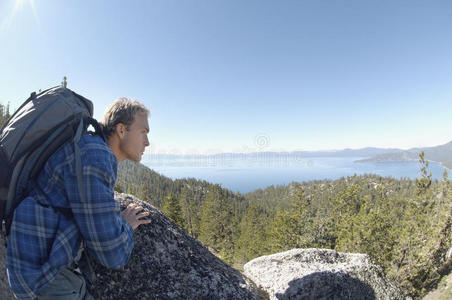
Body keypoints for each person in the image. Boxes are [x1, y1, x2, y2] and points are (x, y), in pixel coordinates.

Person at [6, 98, 152, 299]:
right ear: (121, 130)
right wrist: (126, 224)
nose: (147, 142)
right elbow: (111, 253)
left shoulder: (89, 146)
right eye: (143, 132)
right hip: (44, 275)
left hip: (38, 261)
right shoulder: (95, 156)